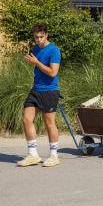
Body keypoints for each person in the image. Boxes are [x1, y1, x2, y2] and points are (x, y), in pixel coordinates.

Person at [17, 23, 62, 167]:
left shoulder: (54, 51)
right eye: (36, 37)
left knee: (49, 123)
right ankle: (33, 154)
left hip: (49, 91)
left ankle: (54, 156)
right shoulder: (36, 49)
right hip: (36, 90)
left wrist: (36, 62)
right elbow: (38, 71)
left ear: (46, 35)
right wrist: (34, 80)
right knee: (26, 119)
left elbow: (52, 72)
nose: (39, 40)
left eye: (41, 37)